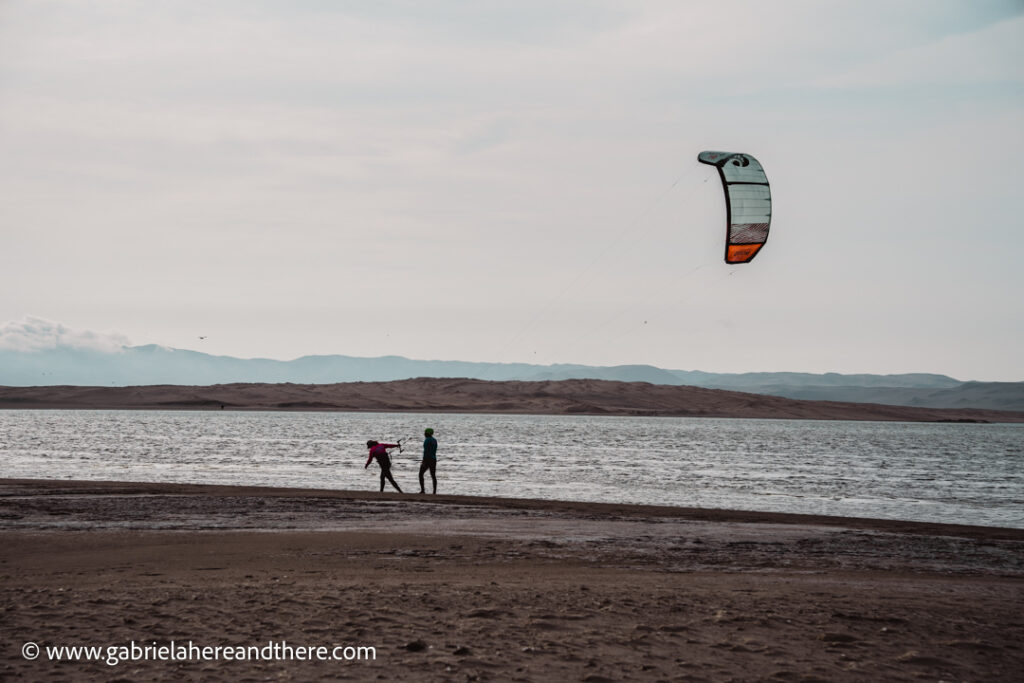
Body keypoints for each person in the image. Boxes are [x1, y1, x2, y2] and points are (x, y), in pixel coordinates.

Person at [419, 428, 438, 494]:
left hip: (427, 459)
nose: (424, 434)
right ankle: (434, 491)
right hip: (433, 459)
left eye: (425, 433)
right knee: (433, 475)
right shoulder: (435, 440)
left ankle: (422, 490)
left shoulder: (427, 440)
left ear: (427, 433)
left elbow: (426, 451)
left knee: (421, 474)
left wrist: (424, 460)